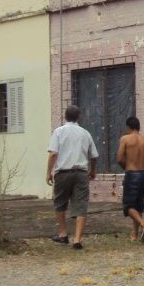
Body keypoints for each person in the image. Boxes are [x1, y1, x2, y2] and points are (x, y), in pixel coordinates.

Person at [45, 105, 98, 250]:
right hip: (81, 173)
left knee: (60, 202)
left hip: (63, 172)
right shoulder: (85, 133)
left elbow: (53, 154)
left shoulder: (59, 132)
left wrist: (49, 172)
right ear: (78, 117)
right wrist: (92, 171)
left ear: (65, 116)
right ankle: (77, 239)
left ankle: (63, 234)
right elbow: (94, 156)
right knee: (81, 204)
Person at [116, 116, 144, 242]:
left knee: (128, 206)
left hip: (132, 174)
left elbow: (119, 158)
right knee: (138, 206)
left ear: (129, 127)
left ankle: (143, 223)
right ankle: (135, 233)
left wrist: (126, 166)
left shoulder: (125, 139)